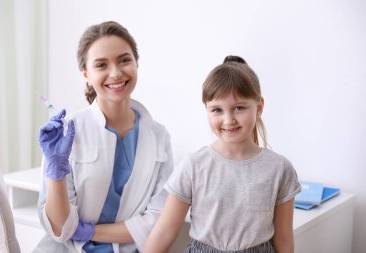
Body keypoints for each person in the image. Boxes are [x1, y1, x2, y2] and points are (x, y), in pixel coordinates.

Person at [34, 21, 174, 253]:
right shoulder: (67, 135)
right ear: (86, 74)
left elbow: (158, 222)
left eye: (124, 60)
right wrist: (55, 171)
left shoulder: (159, 137)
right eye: (101, 65)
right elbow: (59, 229)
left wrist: (88, 230)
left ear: (136, 63)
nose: (116, 73)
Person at [143, 55, 301, 253]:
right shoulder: (194, 165)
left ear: (259, 107)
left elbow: (284, 239)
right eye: (217, 110)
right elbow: (163, 233)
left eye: (238, 108)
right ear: (207, 110)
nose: (228, 120)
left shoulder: (280, 169)